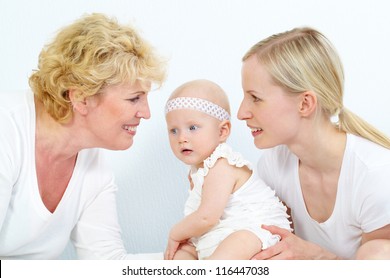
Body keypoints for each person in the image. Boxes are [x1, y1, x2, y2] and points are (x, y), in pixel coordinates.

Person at [0, 13, 166, 259]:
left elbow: (107, 265)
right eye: (134, 98)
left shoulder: (93, 167)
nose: (146, 113)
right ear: (80, 98)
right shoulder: (7, 127)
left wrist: (194, 263)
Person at [238, 27, 390, 259]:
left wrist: (319, 258)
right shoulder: (274, 165)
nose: (241, 113)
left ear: (305, 103)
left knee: (378, 250)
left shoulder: (376, 176)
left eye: (255, 98)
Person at [163, 79, 291, 260]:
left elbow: (207, 217)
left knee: (239, 241)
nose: (182, 137)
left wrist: (175, 232)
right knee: (181, 251)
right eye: (173, 130)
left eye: (192, 128)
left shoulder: (221, 164)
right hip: (221, 232)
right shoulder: (197, 171)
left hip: (256, 229)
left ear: (222, 131)